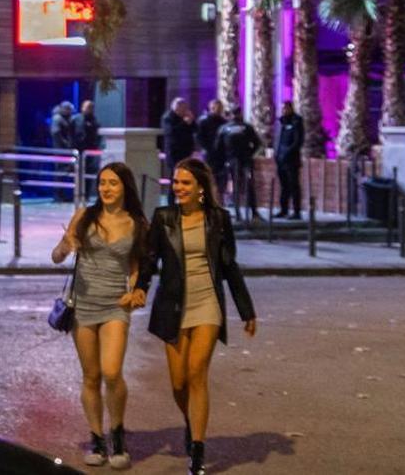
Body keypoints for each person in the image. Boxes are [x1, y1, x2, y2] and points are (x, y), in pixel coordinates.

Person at [130, 158, 257, 475]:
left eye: (185, 183)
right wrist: (141, 287)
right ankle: (192, 421)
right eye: (175, 182)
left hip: (207, 303)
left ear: (201, 187)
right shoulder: (164, 218)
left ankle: (198, 450)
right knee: (178, 383)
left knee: (197, 372)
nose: (179, 188)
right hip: (172, 305)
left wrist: (246, 310)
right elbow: (149, 260)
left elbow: (229, 266)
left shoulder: (218, 219)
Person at [51, 162, 148, 469]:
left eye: (113, 183)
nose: (106, 188)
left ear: (125, 188)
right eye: (102, 183)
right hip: (83, 306)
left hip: (115, 307)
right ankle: (97, 438)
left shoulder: (136, 223)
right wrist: (67, 242)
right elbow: (56, 257)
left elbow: (135, 266)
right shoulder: (85, 216)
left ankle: (117, 434)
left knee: (111, 372)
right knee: (91, 376)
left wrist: (133, 291)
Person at [215, 112, 263, 220]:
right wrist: (250, 153)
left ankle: (239, 213)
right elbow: (257, 143)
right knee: (248, 185)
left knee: (237, 186)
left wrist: (224, 159)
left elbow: (218, 147)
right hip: (243, 160)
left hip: (233, 160)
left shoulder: (225, 128)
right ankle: (252, 212)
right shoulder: (245, 127)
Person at [162, 98, 198, 205]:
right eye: (183, 108)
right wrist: (184, 123)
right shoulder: (168, 118)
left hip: (186, 153)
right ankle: (171, 204)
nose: (185, 111)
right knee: (175, 179)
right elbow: (171, 132)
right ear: (177, 108)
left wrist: (192, 121)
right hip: (174, 154)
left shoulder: (186, 118)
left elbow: (195, 130)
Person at [273, 101, 305, 219]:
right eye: (282, 109)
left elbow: (298, 141)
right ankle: (283, 209)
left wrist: (287, 153)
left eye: (286, 108)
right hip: (280, 160)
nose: (284, 111)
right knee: (284, 186)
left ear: (291, 108)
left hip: (291, 160)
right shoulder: (281, 121)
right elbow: (278, 139)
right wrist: (276, 154)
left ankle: (297, 212)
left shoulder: (296, 121)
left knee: (294, 186)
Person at [195, 100, 228, 201]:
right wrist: (206, 149)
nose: (217, 110)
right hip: (208, 155)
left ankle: (220, 202)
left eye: (219, 108)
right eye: (214, 108)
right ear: (210, 108)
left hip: (221, 155)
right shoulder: (203, 121)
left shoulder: (224, 122)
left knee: (221, 181)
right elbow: (199, 137)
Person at [72, 100, 102, 202]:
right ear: (82, 107)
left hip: (90, 152)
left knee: (88, 174)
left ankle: (86, 195)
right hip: (78, 151)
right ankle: (76, 195)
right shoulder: (76, 119)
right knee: (76, 174)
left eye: (91, 107)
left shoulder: (94, 121)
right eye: (87, 107)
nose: (89, 109)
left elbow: (97, 135)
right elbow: (70, 133)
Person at [50, 101, 77, 202]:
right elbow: (56, 134)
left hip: (65, 150)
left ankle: (63, 194)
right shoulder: (57, 119)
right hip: (60, 150)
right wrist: (65, 144)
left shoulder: (65, 118)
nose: (70, 112)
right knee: (60, 172)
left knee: (65, 172)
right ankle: (58, 195)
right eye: (69, 110)